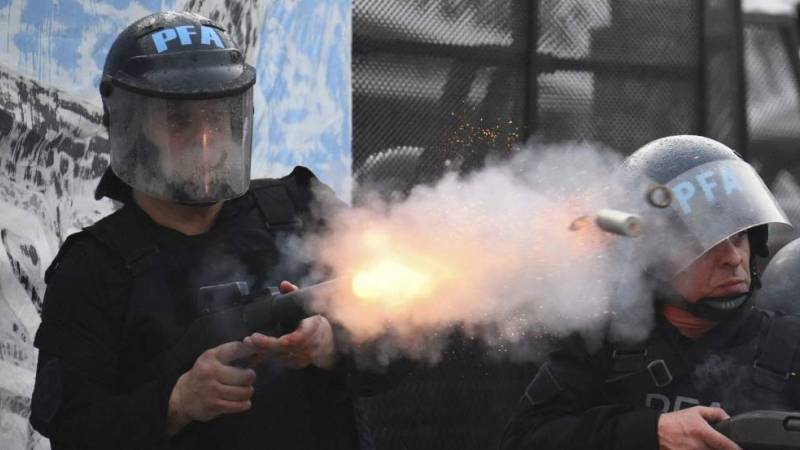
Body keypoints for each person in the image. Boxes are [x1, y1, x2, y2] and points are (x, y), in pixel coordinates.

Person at [30, 11, 395, 450]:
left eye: (217, 116)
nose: (205, 138)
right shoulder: (92, 268)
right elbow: (72, 430)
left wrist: (330, 345)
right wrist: (175, 404)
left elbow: (408, 332)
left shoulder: (300, 208)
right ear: (135, 125)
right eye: (179, 120)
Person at [500, 135, 800, 450]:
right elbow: (523, 440)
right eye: (704, 244)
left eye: (738, 237)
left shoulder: (790, 347)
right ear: (650, 260)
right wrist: (649, 434)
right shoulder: (601, 346)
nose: (732, 258)